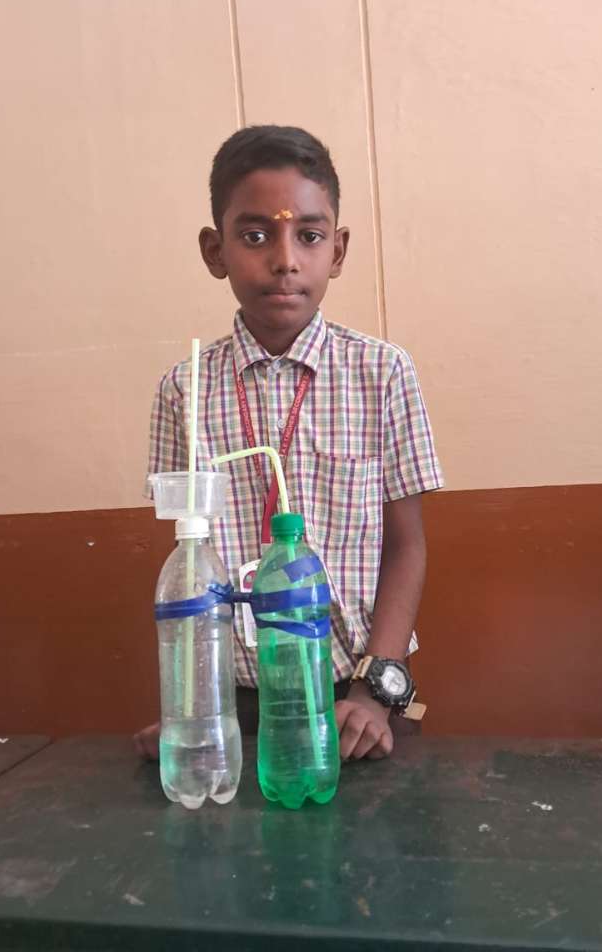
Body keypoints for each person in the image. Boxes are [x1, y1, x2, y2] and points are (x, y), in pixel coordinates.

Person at [133, 125, 443, 763]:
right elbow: (191, 565)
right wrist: (192, 713)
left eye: (309, 235)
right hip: (236, 703)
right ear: (215, 251)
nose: (284, 260)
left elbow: (406, 545)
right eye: (255, 236)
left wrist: (374, 692)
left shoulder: (382, 374)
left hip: (360, 699)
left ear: (338, 249)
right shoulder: (184, 392)